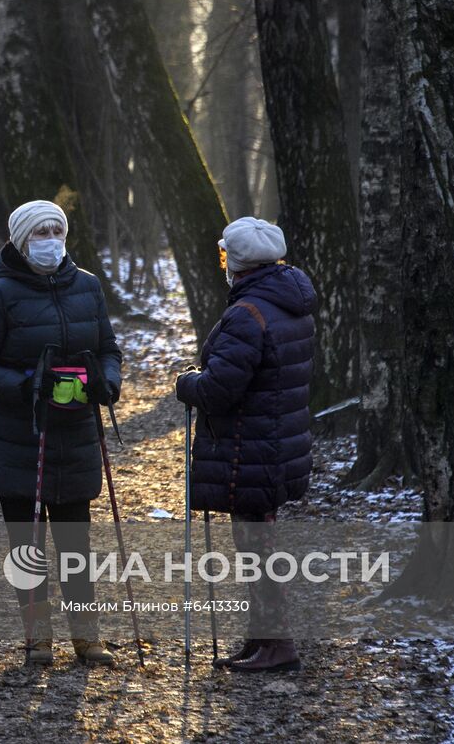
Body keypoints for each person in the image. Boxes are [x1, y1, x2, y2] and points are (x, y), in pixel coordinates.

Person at [0, 200, 123, 666]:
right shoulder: (0, 295)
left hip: (75, 434)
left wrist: (106, 382)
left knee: (76, 542)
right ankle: (37, 638)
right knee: (26, 544)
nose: (50, 240)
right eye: (40, 233)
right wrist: (28, 386)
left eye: (56, 230)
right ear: (20, 240)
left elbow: (108, 348)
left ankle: (87, 637)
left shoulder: (88, 286)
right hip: (18, 436)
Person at [175, 216, 315, 672]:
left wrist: (188, 385)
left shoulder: (247, 314)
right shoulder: (289, 302)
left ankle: (278, 645)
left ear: (236, 262)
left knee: (258, 551)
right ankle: (261, 639)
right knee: (259, 545)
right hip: (276, 447)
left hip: (249, 452)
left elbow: (220, 389)